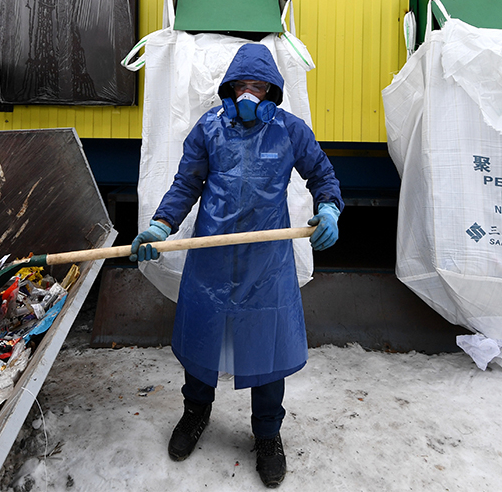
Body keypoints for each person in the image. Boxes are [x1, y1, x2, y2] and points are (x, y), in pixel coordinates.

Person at [131, 43, 343, 489]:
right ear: (229, 88)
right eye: (242, 85)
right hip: (212, 256)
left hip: (266, 263)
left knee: (267, 350)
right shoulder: (208, 128)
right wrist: (160, 225)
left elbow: (322, 175)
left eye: (259, 86)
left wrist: (328, 209)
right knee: (203, 339)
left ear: (272, 92)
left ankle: (267, 434)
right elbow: (186, 182)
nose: (250, 93)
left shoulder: (290, 131)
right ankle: (194, 415)